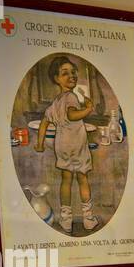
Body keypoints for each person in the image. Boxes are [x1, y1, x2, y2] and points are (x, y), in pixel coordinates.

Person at [34, 56, 98, 232]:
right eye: (65, 73)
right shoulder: (70, 97)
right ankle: (88, 219)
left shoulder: (55, 103)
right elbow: (72, 115)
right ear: (56, 78)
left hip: (62, 146)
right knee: (83, 179)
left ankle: (66, 220)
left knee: (66, 180)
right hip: (77, 146)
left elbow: (44, 124)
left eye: (73, 72)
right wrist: (87, 109)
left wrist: (39, 144)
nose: (71, 75)